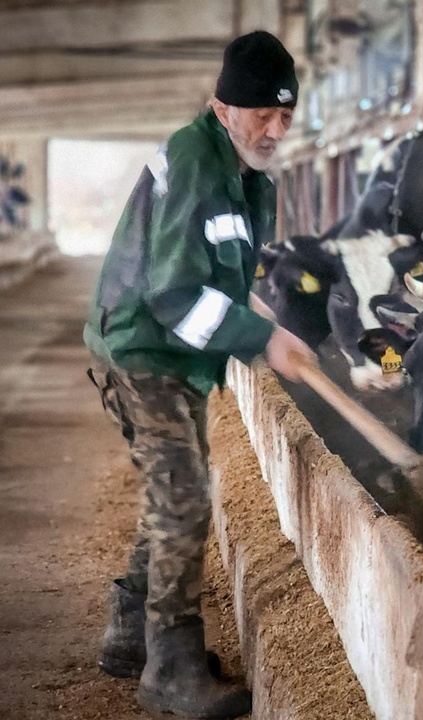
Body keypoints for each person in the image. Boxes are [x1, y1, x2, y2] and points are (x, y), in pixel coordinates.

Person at [84, 30, 317, 719]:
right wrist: (260, 339)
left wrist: (259, 323)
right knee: (183, 496)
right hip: (143, 346)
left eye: (285, 116)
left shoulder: (244, 172)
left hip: (177, 353)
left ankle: (132, 633)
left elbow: (224, 274)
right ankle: (172, 668)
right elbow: (173, 292)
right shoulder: (195, 162)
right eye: (262, 115)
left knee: (175, 486)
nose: (274, 129)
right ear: (223, 109)